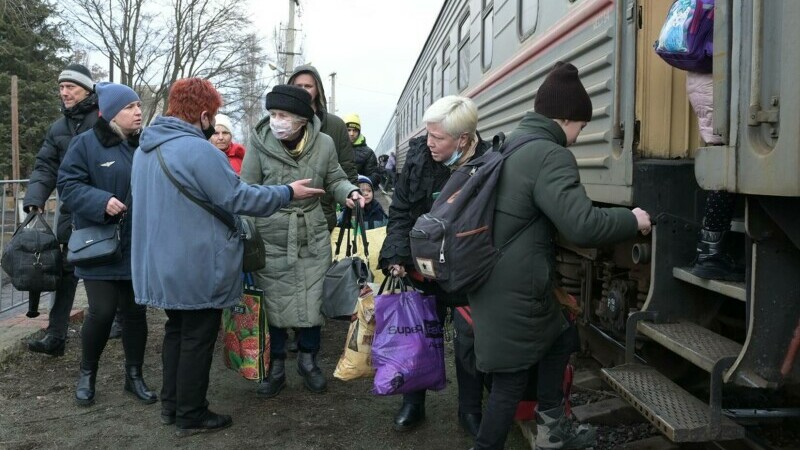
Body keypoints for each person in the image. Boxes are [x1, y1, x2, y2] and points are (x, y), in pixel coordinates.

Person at [467, 62, 652, 450]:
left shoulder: (514, 142)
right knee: (511, 380)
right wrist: (631, 219)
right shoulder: (550, 155)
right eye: (580, 127)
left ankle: (553, 430)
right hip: (514, 289)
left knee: (560, 337)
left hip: (500, 280)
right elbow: (581, 225)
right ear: (565, 118)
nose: (578, 136)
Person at [130, 78, 325, 437]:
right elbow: (238, 198)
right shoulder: (198, 150)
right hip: (196, 263)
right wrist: (286, 192)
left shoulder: (145, 150)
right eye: (213, 115)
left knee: (177, 331)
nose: (213, 123)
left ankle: (171, 406)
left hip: (159, 262)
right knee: (197, 337)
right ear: (203, 114)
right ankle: (191, 414)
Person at [240, 85, 364, 399]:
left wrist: (349, 192)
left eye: (283, 115)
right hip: (272, 235)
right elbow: (247, 188)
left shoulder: (323, 144)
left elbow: (334, 177)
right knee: (274, 303)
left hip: (312, 234)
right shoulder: (259, 142)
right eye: (273, 114)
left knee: (313, 300)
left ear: (301, 119)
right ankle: (277, 365)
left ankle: (309, 361)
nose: (276, 120)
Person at [378, 95, 490, 437]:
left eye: (437, 138)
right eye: (428, 135)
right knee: (419, 332)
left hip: (467, 271)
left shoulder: (488, 164)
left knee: (469, 340)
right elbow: (400, 210)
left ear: (464, 139)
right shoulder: (419, 159)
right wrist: (396, 254)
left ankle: (470, 409)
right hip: (422, 269)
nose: (429, 143)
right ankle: (413, 403)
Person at [56, 82, 155, 408]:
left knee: (135, 314)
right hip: (100, 246)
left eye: (139, 105)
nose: (138, 111)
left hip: (136, 246)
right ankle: (87, 374)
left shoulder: (146, 146)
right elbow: (68, 186)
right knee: (101, 312)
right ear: (110, 112)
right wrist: (102, 201)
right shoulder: (86, 144)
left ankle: (134, 376)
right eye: (130, 107)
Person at [23, 63, 98, 356]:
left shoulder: (104, 121)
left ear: (87, 89)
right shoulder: (58, 128)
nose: (64, 92)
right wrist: (35, 198)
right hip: (69, 216)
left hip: (102, 213)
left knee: (104, 273)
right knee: (66, 275)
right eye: (61, 87)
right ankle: (55, 337)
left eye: (71, 87)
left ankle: (118, 321)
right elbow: (45, 167)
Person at [684, 71, 743, 282]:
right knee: (724, 176)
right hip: (713, 86)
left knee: (721, 171)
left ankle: (707, 251)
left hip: (703, 85)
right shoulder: (708, 43)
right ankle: (711, 255)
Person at [288, 65, 358, 230]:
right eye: (298, 86)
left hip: (322, 214)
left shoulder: (335, 125)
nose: (303, 90)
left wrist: (350, 198)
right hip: (283, 215)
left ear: (317, 89)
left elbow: (347, 166)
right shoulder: (279, 125)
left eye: (308, 86)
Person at [344, 113, 380, 186]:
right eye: (348, 130)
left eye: (355, 130)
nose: (352, 133)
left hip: (359, 192)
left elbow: (375, 176)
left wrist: (361, 182)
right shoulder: (335, 147)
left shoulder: (368, 153)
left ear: (359, 132)